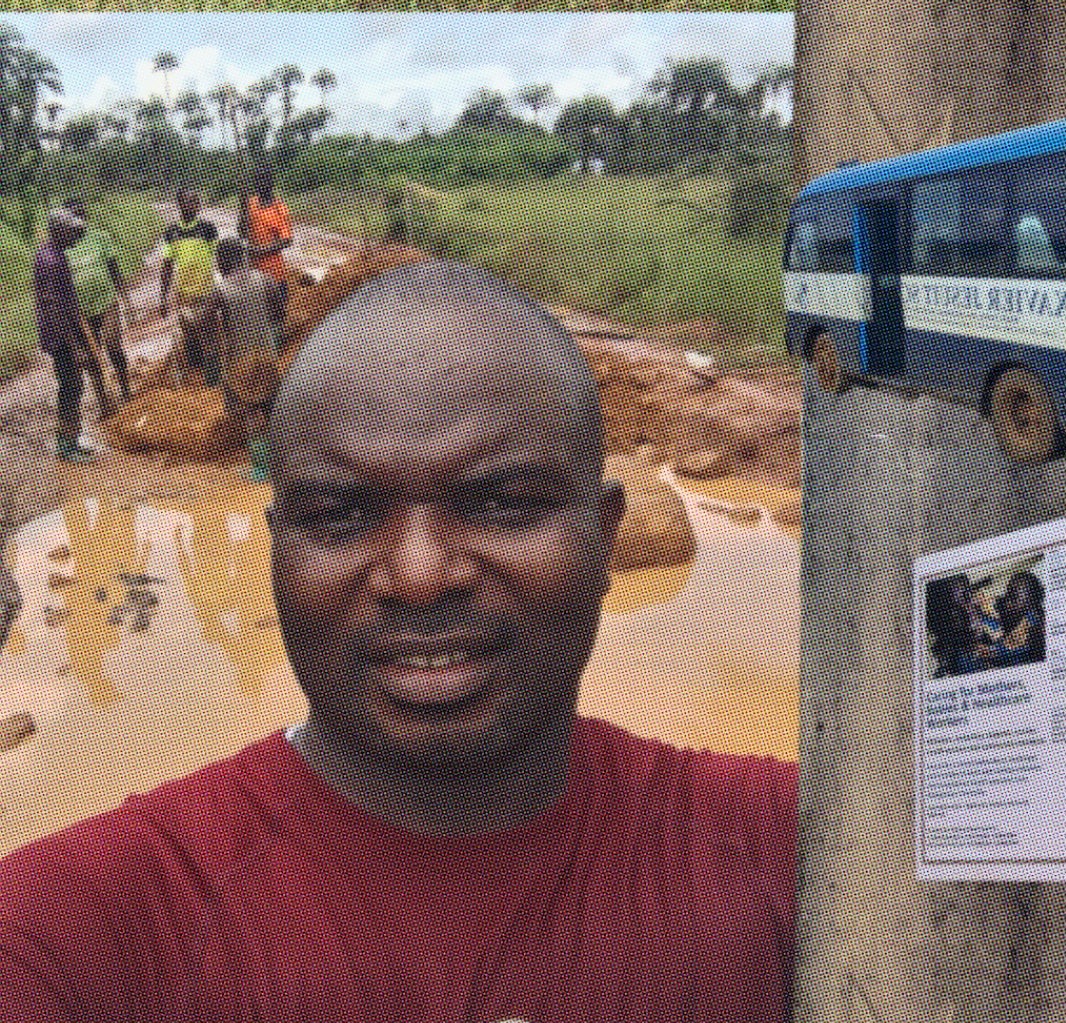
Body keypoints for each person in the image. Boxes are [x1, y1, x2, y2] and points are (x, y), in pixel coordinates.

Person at [0, 261, 798, 1022]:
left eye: (504, 502)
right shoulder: (89, 930)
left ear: (606, 536)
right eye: (342, 515)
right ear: (275, 551)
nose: (419, 574)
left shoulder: (799, 848)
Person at [208, 236, 286, 483]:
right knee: (271, 407)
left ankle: (261, 469)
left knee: (253, 413)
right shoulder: (266, 281)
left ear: (223, 260)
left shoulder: (220, 291)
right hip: (267, 356)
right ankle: (282, 462)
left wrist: (211, 350)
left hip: (241, 362)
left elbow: (204, 322)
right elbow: (279, 315)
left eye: (218, 259)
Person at [33, 207, 95, 461]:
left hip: (59, 331)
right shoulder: (53, 261)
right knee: (71, 386)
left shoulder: (49, 253)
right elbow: (55, 306)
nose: (74, 235)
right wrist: (75, 345)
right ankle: (66, 446)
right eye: (70, 230)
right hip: (60, 334)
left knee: (72, 386)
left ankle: (69, 439)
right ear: (59, 230)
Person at [63, 197, 132, 403]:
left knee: (112, 345)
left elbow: (113, 268)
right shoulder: (63, 247)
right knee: (91, 355)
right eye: (73, 215)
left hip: (106, 302)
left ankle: (125, 386)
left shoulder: (100, 237)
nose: (78, 218)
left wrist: (125, 299)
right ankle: (103, 398)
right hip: (81, 311)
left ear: (85, 216)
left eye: (80, 214)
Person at [160, 189, 218, 385]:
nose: (192, 205)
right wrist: (163, 296)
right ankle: (193, 381)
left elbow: (218, 257)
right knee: (188, 336)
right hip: (183, 294)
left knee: (210, 335)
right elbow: (167, 264)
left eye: (196, 201)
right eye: (188, 201)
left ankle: (212, 381)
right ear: (179, 204)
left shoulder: (208, 228)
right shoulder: (172, 232)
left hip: (206, 291)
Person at [243, 161, 293, 309]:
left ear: (271, 182)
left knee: (276, 314)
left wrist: (260, 251)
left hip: (274, 274)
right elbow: (243, 231)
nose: (259, 184)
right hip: (252, 273)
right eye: (257, 180)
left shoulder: (279, 208)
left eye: (263, 179)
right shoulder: (251, 203)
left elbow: (287, 241)